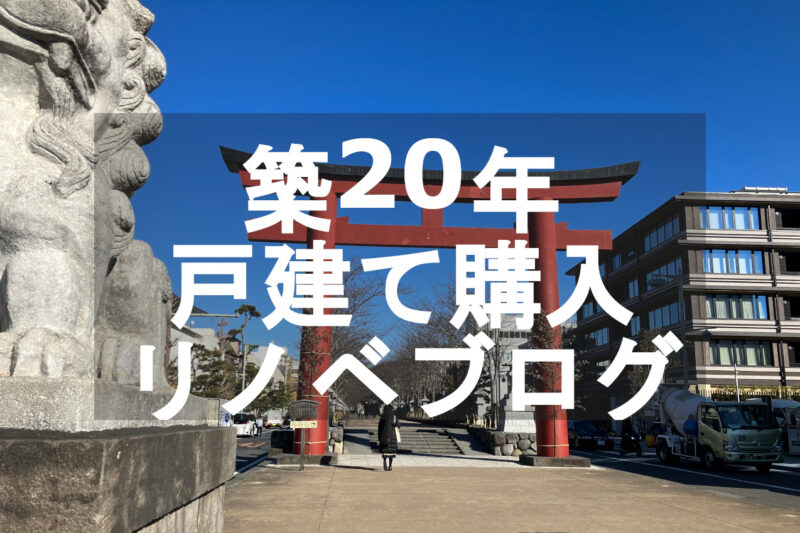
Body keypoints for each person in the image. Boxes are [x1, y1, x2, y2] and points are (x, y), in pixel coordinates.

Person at [378, 404, 399, 471]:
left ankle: (384, 461)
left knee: (385, 450)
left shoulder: (382, 416)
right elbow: (398, 425)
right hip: (392, 435)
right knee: (391, 452)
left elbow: (380, 427)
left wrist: (379, 437)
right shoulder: (394, 416)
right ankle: (390, 465)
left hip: (384, 435)